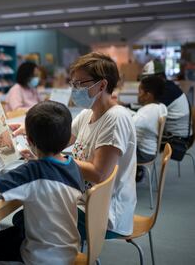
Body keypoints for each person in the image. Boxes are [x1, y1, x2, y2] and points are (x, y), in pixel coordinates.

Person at [10, 52, 137, 240]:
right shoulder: (88, 114)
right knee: (25, 217)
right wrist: (31, 130)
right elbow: (60, 139)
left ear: (102, 85)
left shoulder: (116, 119)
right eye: (73, 84)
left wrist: (50, 158)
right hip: (84, 201)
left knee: (26, 217)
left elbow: (98, 173)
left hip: (105, 215)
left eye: (80, 84)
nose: (75, 89)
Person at [0, 101, 84, 265]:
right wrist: (35, 158)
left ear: (30, 140)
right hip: (69, 250)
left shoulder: (32, 172)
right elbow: (50, 176)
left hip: (41, 257)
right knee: (6, 236)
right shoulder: (72, 165)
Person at [141, 59, 192, 141]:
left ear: (160, 77)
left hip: (178, 141)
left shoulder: (166, 90)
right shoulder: (166, 86)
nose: (146, 83)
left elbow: (149, 112)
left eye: (149, 80)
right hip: (173, 136)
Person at [133, 76, 167, 181]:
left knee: (113, 148)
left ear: (148, 95)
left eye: (140, 92)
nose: (138, 95)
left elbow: (127, 125)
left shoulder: (146, 112)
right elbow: (140, 121)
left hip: (142, 154)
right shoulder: (161, 107)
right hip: (151, 150)